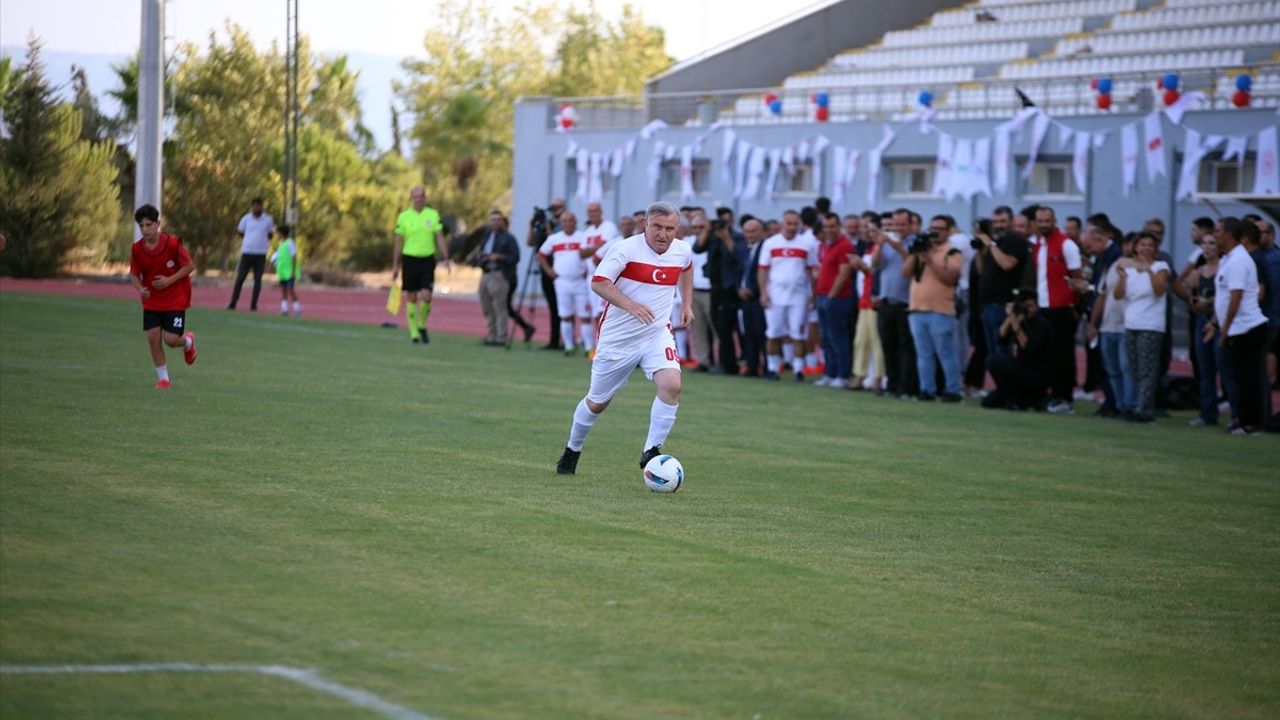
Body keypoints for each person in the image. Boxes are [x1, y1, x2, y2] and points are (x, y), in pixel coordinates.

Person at [554, 202, 694, 475]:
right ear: (646, 225)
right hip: (618, 340)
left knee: (672, 385)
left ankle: (651, 451)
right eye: (657, 227)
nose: (663, 234)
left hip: (656, 334)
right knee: (597, 403)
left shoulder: (681, 250)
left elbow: (687, 268)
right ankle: (572, 450)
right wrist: (631, 305)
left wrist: (687, 302)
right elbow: (598, 282)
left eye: (669, 229)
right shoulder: (625, 249)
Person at [1209, 218, 1270, 435]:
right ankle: (1242, 419)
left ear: (1229, 234)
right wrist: (1215, 322)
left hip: (1247, 328)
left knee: (1248, 379)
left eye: (1217, 231)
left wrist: (1224, 330)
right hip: (1237, 327)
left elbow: (1236, 297)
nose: (1214, 235)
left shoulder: (1238, 261)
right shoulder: (1228, 259)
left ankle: (1252, 423)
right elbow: (1224, 298)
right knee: (1238, 378)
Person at [130, 204, 197, 388]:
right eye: (141, 226)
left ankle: (188, 341)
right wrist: (140, 289)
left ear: (157, 224)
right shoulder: (137, 249)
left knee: (171, 340)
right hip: (152, 300)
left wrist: (169, 280)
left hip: (175, 298)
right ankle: (164, 379)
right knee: (152, 336)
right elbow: (134, 274)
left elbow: (190, 266)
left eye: (149, 225)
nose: (145, 229)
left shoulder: (173, 245)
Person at [903, 217, 964, 402]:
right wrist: (915, 254)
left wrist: (930, 261)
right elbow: (905, 273)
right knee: (924, 354)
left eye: (940, 228)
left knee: (946, 353)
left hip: (940, 310)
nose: (936, 232)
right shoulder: (922, 250)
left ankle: (953, 391)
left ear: (947, 231)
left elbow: (950, 278)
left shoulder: (952, 252)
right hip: (917, 310)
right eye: (933, 228)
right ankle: (927, 390)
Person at [1113, 232, 1170, 423]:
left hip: (1151, 324)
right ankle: (1141, 405)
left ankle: (1144, 409)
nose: (1146, 248)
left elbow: (1160, 290)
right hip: (1132, 322)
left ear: (1155, 249)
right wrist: (1122, 278)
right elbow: (1119, 295)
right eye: (1142, 245)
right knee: (1135, 367)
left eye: (1150, 245)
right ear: (1135, 247)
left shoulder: (1160, 266)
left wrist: (1149, 270)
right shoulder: (1128, 267)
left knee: (1148, 368)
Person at [1031, 206, 1083, 414]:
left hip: (1061, 307)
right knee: (1046, 355)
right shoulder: (1037, 245)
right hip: (1042, 307)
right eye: (1040, 221)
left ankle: (1065, 398)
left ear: (1054, 221)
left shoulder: (1066, 245)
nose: (1044, 224)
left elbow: (1077, 277)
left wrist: (1075, 305)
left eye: (1047, 221)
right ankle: (1051, 396)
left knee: (1063, 355)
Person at [758, 210, 820, 381]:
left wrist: (812, 294)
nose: (792, 227)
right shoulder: (771, 243)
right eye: (789, 224)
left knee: (798, 333)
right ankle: (773, 368)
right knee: (773, 333)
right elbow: (763, 269)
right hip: (775, 296)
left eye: (795, 224)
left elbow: (811, 271)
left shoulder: (806, 245)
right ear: (782, 224)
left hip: (798, 296)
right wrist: (763, 292)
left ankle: (798, 369)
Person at [391, 186, 451, 344]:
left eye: (421, 196)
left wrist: (445, 257)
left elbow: (439, 237)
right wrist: (395, 265)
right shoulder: (403, 217)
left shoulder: (432, 215)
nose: (419, 198)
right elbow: (398, 241)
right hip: (409, 259)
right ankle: (414, 333)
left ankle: (421, 324)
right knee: (411, 296)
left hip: (427, 259)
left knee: (426, 296)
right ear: (411, 198)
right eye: (416, 196)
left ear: (426, 198)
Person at [1180, 233, 1228, 427]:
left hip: (1222, 322)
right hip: (1203, 321)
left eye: (1211, 244)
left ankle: (1237, 414)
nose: (1207, 248)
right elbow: (1192, 302)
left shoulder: (1226, 267)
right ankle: (1208, 413)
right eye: (1203, 244)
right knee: (1204, 370)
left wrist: (1209, 303)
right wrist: (1194, 299)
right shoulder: (1198, 272)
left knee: (1225, 369)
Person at [874, 209, 918, 397]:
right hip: (886, 301)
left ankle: (906, 387)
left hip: (906, 302)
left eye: (902, 225)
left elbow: (914, 266)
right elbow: (876, 265)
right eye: (895, 225)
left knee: (906, 348)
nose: (898, 229)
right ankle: (892, 385)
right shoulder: (887, 243)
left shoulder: (916, 243)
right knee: (888, 346)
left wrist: (899, 247)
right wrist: (879, 246)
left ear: (910, 225)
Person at [538, 210, 593, 356]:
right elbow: (541, 254)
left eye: (571, 220)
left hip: (580, 281)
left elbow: (589, 253)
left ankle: (588, 347)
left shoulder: (583, 237)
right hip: (562, 281)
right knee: (565, 315)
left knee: (584, 316)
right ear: (561, 223)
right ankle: (568, 345)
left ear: (575, 222)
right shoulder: (554, 238)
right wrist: (549, 271)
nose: (568, 223)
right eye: (565, 221)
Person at [982, 297, 1051, 411]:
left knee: (994, 361)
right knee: (988, 402)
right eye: (1024, 305)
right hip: (1021, 371)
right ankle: (1016, 399)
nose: (1026, 309)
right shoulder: (1021, 320)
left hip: (1036, 374)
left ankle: (1017, 401)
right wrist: (1010, 317)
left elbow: (1028, 347)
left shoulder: (1041, 324)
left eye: (1030, 306)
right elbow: (1001, 339)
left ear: (1038, 306)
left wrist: (1015, 323)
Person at [814, 212, 855, 388]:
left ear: (839, 226)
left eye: (832, 226)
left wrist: (832, 295)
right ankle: (830, 373)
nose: (829, 230)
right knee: (826, 337)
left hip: (837, 297)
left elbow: (844, 274)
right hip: (823, 296)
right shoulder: (827, 245)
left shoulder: (844, 245)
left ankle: (842, 375)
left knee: (838, 337)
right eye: (826, 227)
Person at [706, 214, 749, 375]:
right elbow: (698, 247)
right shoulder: (712, 238)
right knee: (718, 325)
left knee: (726, 328)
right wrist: (707, 230)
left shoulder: (736, 238)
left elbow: (738, 256)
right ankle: (725, 361)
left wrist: (726, 237)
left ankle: (729, 364)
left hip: (729, 289)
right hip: (715, 287)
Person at [474, 210, 522, 346]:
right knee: (487, 306)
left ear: (502, 221)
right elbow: (482, 250)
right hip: (486, 273)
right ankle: (491, 334)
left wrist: (499, 256)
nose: (495, 222)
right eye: (493, 219)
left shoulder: (509, 238)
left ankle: (501, 337)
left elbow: (515, 258)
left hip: (499, 274)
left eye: (498, 220)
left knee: (499, 306)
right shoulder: (487, 235)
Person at [850, 215, 884, 392]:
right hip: (864, 300)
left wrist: (863, 267)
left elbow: (877, 273)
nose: (868, 233)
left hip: (875, 300)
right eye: (866, 229)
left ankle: (878, 377)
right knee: (861, 341)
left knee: (876, 342)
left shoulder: (882, 248)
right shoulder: (869, 248)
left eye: (872, 230)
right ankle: (859, 375)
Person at [528, 199, 567, 350]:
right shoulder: (545, 224)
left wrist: (549, 229)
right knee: (553, 307)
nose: (555, 210)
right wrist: (532, 224)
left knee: (563, 308)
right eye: (554, 207)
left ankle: (566, 340)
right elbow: (530, 242)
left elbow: (556, 242)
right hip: (546, 270)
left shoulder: (564, 226)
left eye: (559, 207)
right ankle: (554, 340)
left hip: (560, 271)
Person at [228, 197, 274, 311]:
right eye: (255, 206)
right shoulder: (246, 219)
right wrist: (249, 240)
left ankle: (253, 305)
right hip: (247, 252)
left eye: (259, 206)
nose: (257, 208)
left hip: (260, 253)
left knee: (258, 279)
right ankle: (233, 302)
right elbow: (240, 232)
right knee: (241, 277)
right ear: (252, 207)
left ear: (262, 207)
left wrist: (262, 242)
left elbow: (270, 234)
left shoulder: (268, 220)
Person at [737, 218, 769, 378]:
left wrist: (754, 290)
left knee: (762, 333)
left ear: (763, 232)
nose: (749, 235)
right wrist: (739, 289)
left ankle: (769, 367)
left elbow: (766, 273)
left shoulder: (766, 248)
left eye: (753, 231)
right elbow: (737, 272)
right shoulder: (742, 248)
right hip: (744, 298)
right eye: (747, 231)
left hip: (759, 297)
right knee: (748, 333)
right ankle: (751, 366)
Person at [270, 223, 302, 318]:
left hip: (289, 272)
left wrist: (292, 271)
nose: (277, 235)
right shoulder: (281, 244)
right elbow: (279, 257)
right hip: (282, 272)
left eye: (278, 233)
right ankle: (284, 309)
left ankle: (297, 310)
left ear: (282, 233)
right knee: (283, 290)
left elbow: (293, 256)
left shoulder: (290, 243)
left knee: (291, 290)